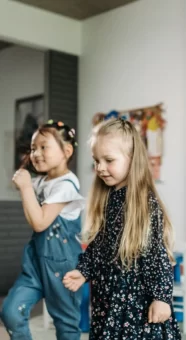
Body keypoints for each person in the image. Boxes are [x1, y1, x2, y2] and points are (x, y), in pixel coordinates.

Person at [63, 118, 181, 339]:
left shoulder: (145, 203)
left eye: (108, 160)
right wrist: (83, 271)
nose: (100, 168)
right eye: (96, 160)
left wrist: (162, 297)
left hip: (136, 305)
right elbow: (99, 246)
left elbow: (157, 255)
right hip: (108, 298)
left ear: (132, 159)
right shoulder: (109, 198)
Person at [0, 120, 84, 340]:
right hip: (36, 265)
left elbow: (39, 223)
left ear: (66, 151)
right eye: (32, 148)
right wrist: (25, 185)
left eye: (43, 147)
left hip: (63, 267)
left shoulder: (67, 184)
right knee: (11, 312)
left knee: (66, 325)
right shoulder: (41, 182)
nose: (35, 153)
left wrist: (26, 187)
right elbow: (32, 217)